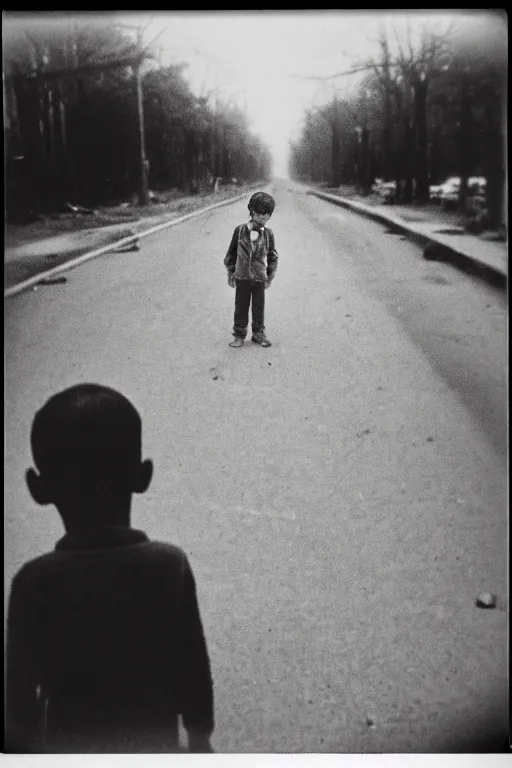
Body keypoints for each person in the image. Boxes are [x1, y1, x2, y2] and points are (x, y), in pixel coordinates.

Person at [5, 384, 214, 754]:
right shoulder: (169, 566)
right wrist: (199, 740)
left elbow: (20, 699)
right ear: (143, 476)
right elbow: (191, 665)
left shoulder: (33, 583)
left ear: (38, 489)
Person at [224, 191, 279, 348]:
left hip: (259, 278)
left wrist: (270, 276)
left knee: (258, 308)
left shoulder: (268, 234)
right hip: (241, 277)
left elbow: (273, 256)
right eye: (260, 212)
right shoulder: (240, 231)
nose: (263, 216)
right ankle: (239, 334)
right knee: (240, 307)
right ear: (252, 211)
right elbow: (232, 252)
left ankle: (258, 333)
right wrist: (230, 271)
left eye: (267, 213)